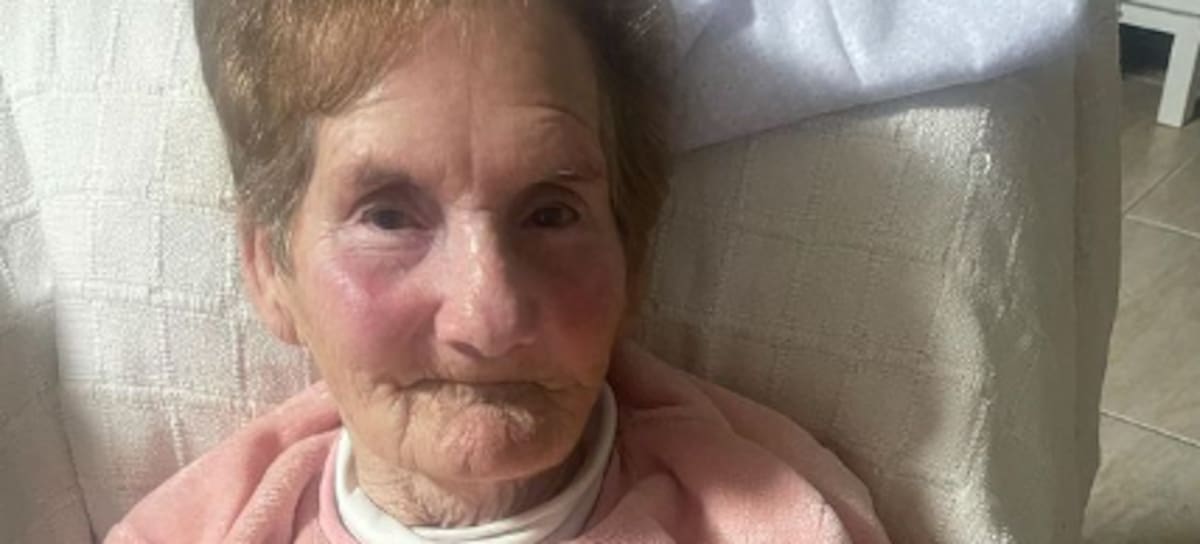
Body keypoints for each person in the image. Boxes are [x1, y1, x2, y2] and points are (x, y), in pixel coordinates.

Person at [106, 1, 890, 542]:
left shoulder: (783, 524)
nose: (488, 318)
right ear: (268, 267)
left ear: (634, 254)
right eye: (388, 217)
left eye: (550, 213)